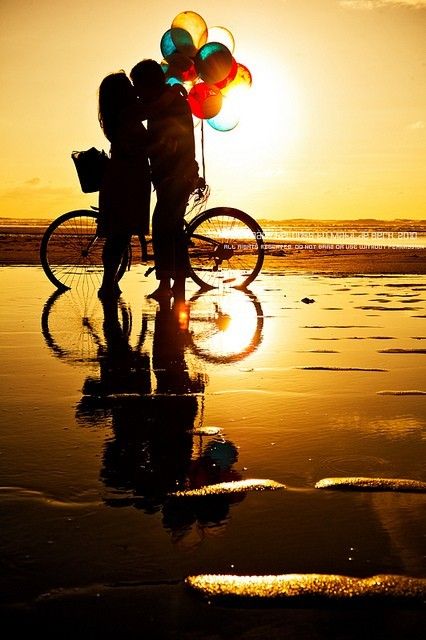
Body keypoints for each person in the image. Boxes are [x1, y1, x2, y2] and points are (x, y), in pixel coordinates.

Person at [130, 59, 199, 301]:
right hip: (170, 174)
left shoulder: (169, 103)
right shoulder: (166, 100)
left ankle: (168, 282)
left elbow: (168, 139)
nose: (136, 91)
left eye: (137, 85)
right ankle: (176, 281)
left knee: (162, 225)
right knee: (173, 228)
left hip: (177, 174)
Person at [98, 71, 151, 297]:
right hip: (127, 181)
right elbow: (151, 109)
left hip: (122, 179)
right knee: (119, 234)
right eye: (129, 86)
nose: (133, 88)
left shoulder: (116, 115)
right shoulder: (128, 114)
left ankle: (109, 282)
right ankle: (107, 283)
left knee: (118, 234)